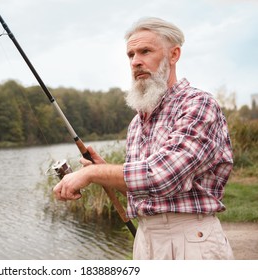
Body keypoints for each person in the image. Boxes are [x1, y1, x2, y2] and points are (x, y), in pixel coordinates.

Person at [53, 17, 234, 260]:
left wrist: (90, 174)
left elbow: (163, 176)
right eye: (131, 55)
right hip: (145, 242)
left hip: (192, 240)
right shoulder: (137, 123)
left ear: (174, 54)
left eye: (145, 51)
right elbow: (144, 189)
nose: (136, 61)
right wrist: (104, 170)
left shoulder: (198, 104)